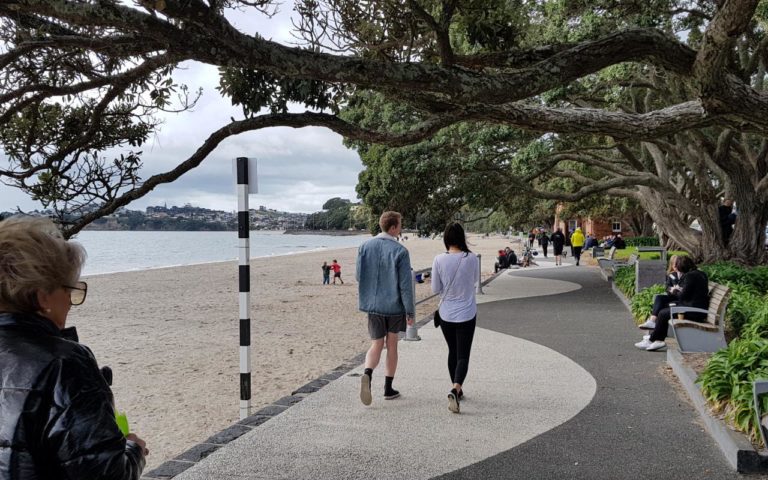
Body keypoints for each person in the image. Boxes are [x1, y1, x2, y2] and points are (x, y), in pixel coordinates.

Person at [0, 216, 147, 479]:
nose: (70, 302)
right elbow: (104, 473)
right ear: (43, 296)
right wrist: (134, 450)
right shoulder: (64, 363)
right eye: (70, 290)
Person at [356, 211, 415, 405]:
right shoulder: (400, 251)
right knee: (392, 345)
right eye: (400, 224)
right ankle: (388, 389)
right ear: (393, 228)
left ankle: (367, 373)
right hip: (394, 306)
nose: (401, 227)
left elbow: (359, 276)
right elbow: (405, 286)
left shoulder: (364, 247)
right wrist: (410, 312)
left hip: (373, 305)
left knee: (376, 344)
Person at [431, 223, 479, 414]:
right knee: (463, 354)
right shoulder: (472, 258)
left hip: (447, 314)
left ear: (446, 239)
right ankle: (456, 388)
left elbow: (435, 288)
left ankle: (456, 389)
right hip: (467, 312)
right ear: (462, 238)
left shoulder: (439, 259)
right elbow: (475, 280)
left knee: (452, 351)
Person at [635, 256, 709, 351]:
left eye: (677, 266)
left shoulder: (689, 276)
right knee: (664, 310)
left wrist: (674, 291)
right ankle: (657, 340)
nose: (675, 268)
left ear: (682, 267)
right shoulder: (700, 273)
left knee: (663, 313)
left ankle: (653, 340)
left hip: (695, 311)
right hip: (695, 306)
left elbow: (682, 296)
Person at [638, 255, 681, 330]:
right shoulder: (671, 274)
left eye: (677, 263)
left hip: (680, 298)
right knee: (659, 298)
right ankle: (652, 321)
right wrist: (671, 289)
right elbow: (667, 287)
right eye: (674, 263)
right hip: (673, 295)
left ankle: (655, 329)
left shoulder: (684, 274)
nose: (675, 265)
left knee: (662, 308)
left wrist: (676, 286)